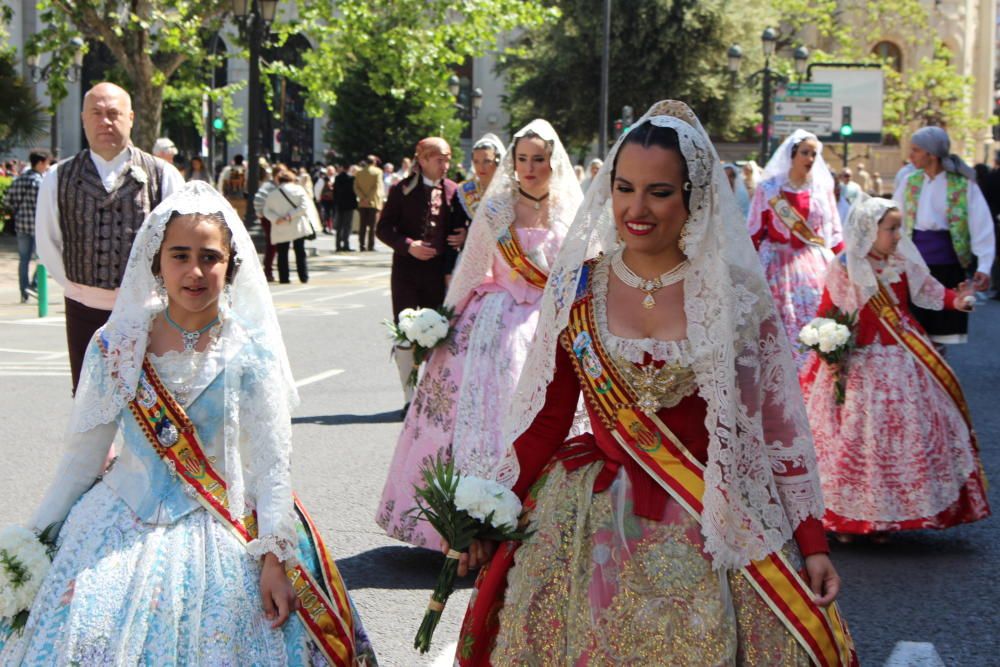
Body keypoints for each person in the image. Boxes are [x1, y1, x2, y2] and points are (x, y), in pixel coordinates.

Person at [453, 100, 855, 666]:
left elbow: (775, 427)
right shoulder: (578, 290)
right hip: (589, 514)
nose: (635, 209)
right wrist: (491, 509)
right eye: (623, 188)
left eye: (659, 192)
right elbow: (546, 417)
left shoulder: (733, 296)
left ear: (694, 198)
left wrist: (811, 542)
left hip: (711, 516)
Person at [0, 181, 375, 664]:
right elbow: (81, 459)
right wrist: (32, 543)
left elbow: (271, 467)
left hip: (220, 524)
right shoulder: (116, 346)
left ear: (231, 265)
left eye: (210, 257)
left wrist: (275, 560)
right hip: (116, 519)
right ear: (156, 262)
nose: (195, 271)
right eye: (180, 255)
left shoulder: (249, 352)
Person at [376, 120, 582, 548]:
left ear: (553, 161)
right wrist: (441, 324)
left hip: (550, 317)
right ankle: (460, 524)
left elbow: (583, 270)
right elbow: (472, 268)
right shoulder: (497, 207)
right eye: (522, 159)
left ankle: (534, 520)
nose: (529, 168)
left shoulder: (569, 208)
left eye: (538, 159)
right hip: (495, 318)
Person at [801, 195, 989, 539]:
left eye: (899, 227)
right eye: (891, 228)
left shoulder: (901, 261)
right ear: (869, 231)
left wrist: (957, 300)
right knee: (852, 437)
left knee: (903, 433)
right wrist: (829, 345)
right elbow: (829, 310)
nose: (898, 235)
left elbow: (930, 291)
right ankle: (846, 517)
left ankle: (887, 516)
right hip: (857, 361)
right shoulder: (845, 265)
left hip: (901, 356)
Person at [35, 81, 185, 392]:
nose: (105, 121)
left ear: (131, 118)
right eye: (97, 113)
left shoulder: (163, 175)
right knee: (90, 399)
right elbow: (47, 241)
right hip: (83, 306)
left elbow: (181, 241)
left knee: (151, 406)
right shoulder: (57, 178)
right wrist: (80, 286)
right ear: (83, 118)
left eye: (114, 113)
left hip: (149, 309)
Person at [375, 138, 470, 409]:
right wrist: (408, 246)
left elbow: (465, 226)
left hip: (439, 275)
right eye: (440, 159)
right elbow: (383, 229)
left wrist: (464, 234)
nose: (445, 165)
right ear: (423, 160)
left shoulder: (454, 191)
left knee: (438, 333)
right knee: (404, 332)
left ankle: (432, 395)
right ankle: (408, 398)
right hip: (406, 272)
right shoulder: (401, 190)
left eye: (448, 159)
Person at [747, 129, 843, 368]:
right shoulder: (769, 189)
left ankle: (812, 369)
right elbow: (754, 231)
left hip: (813, 264)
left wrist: (845, 265)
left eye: (814, 153)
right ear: (791, 155)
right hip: (777, 264)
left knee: (815, 314)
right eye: (805, 153)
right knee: (780, 318)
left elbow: (834, 232)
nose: (810, 159)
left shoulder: (821, 190)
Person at [892, 126, 995, 345]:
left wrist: (984, 266)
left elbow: (981, 225)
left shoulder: (962, 184)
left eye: (916, 150)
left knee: (939, 334)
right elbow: (895, 220)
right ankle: (919, 378)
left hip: (947, 266)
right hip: (913, 266)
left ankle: (936, 378)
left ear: (932, 154)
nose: (910, 156)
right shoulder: (910, 182)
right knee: (914, 332)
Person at [3, 150, 50, 303]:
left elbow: (7, 201)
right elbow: (46, 205)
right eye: (46, 163)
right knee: (44, 258)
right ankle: (34, 284)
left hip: (21, 225)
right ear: (41, 163)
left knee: (24, 259)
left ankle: (24, 292)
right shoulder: (40, 182)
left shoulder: (19, 179)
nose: (47, 166)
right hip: (37, 226)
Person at [263, 166, 320, 284]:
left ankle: (284, 277)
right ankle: (303, 276)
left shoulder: (272, 194)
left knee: (282, 252)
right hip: (297, 225)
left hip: (280, 225)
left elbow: (266, 211)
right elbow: (304, 207)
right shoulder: (299, 190)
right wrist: (290, 215)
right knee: (300, 251)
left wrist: (277, 219)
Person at [456, 133, 505, 219]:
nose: (481, 167)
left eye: (486, 161)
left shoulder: (509, 190)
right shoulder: (464, 190)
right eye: (476, 162)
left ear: (498, 161)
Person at [354, 155, 385, 252]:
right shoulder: (378, 172)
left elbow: (356, 187)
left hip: (362, 203)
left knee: (362, 225)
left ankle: (361, 245)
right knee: (372, 226)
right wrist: (369, 198)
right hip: (373, 202)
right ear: (374, 162)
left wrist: (362, 197)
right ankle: (371, 245)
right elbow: (376, 186)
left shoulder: (359, 172)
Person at [252, 167, 278, 282]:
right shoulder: (269, 186)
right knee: (272, 244)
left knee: (275, 245)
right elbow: (258, 199)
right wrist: (260, 213)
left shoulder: (278, 186)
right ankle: (268, 270)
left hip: (278, 219)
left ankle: (270, 269)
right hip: (269, 219)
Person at [333, 164, 358, 251]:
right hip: (349, 205)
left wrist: (336, 203)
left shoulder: (337, 178)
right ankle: (346, 244)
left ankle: (338, 245)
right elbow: (354, 192)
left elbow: (335, 192)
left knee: (339, 225)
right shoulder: (351, 179)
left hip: (340, 204)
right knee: (347, 225)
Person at [314, 165, 338, 234]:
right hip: (325, 199)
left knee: (334, 213)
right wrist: (318, 198)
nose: (330, 172)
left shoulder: (336, 178)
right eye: (329, 170)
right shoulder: (322, 179)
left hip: (334, 199)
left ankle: (331, 227)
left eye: (332, 170)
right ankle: (327, 227)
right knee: (327, 213)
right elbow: (317, 189)